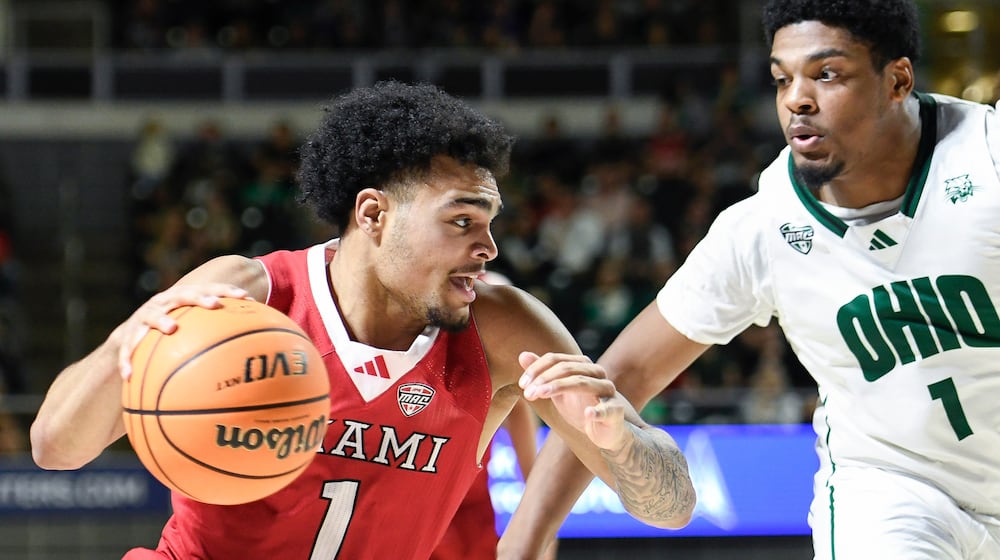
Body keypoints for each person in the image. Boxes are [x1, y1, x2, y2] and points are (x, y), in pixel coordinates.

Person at [29, 81, 695, 560]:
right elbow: (56, 449)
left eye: (490, 223)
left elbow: (672, 508)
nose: (489, 247)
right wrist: (130, 339)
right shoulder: (246, 297)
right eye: (462, 221)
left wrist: (619, 442)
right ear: (373, 214)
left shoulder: (502, 327)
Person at [499, 1, 1000, 559]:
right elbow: (622, 375)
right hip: (892, 495)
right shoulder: (762, 227)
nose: (797, 100)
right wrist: (522, 542)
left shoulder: (986, 157)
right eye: (783, 79)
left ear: (897, 81)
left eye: (827, 74)